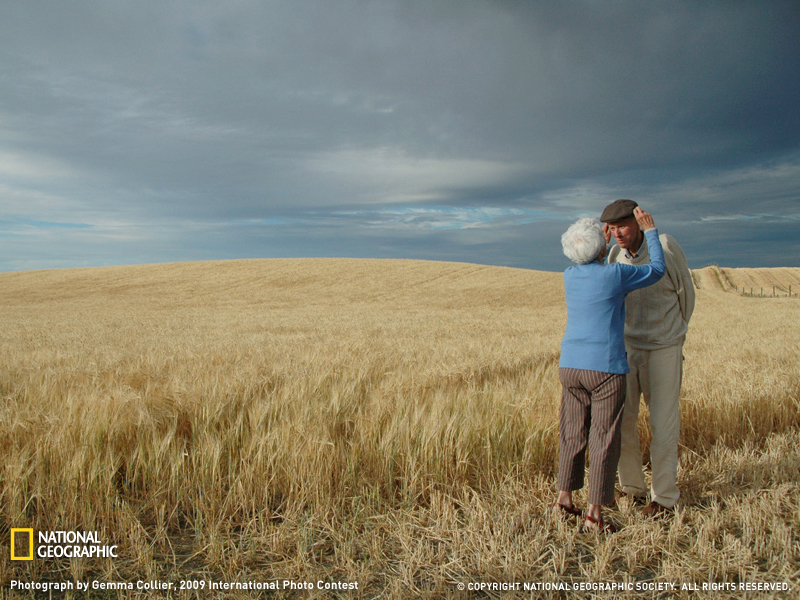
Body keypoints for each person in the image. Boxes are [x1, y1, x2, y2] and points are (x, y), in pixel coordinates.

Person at [555, 207, 665, 533]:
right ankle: (593, 514)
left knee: (572, 433)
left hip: (570, 367)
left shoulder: (569, 275)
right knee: (604, 438)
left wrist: (596, 247)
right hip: (605, 369)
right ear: (602, 248)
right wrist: (652, 232)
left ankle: (563, 498)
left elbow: (590, 265)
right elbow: (657, 269)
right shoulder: (616, 274)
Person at [601, 199, 695, 517]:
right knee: (624, 423)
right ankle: (634, 490)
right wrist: (599, 252)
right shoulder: (613, 254)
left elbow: (686, 296)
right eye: (612, 228)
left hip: (664, 348)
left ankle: (665, 498)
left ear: (640, 222)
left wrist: (673, 337)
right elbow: (601, 291)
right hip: (627, 350)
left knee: (663, 422)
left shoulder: (665, 246)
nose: (618, 234)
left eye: (623, 226)